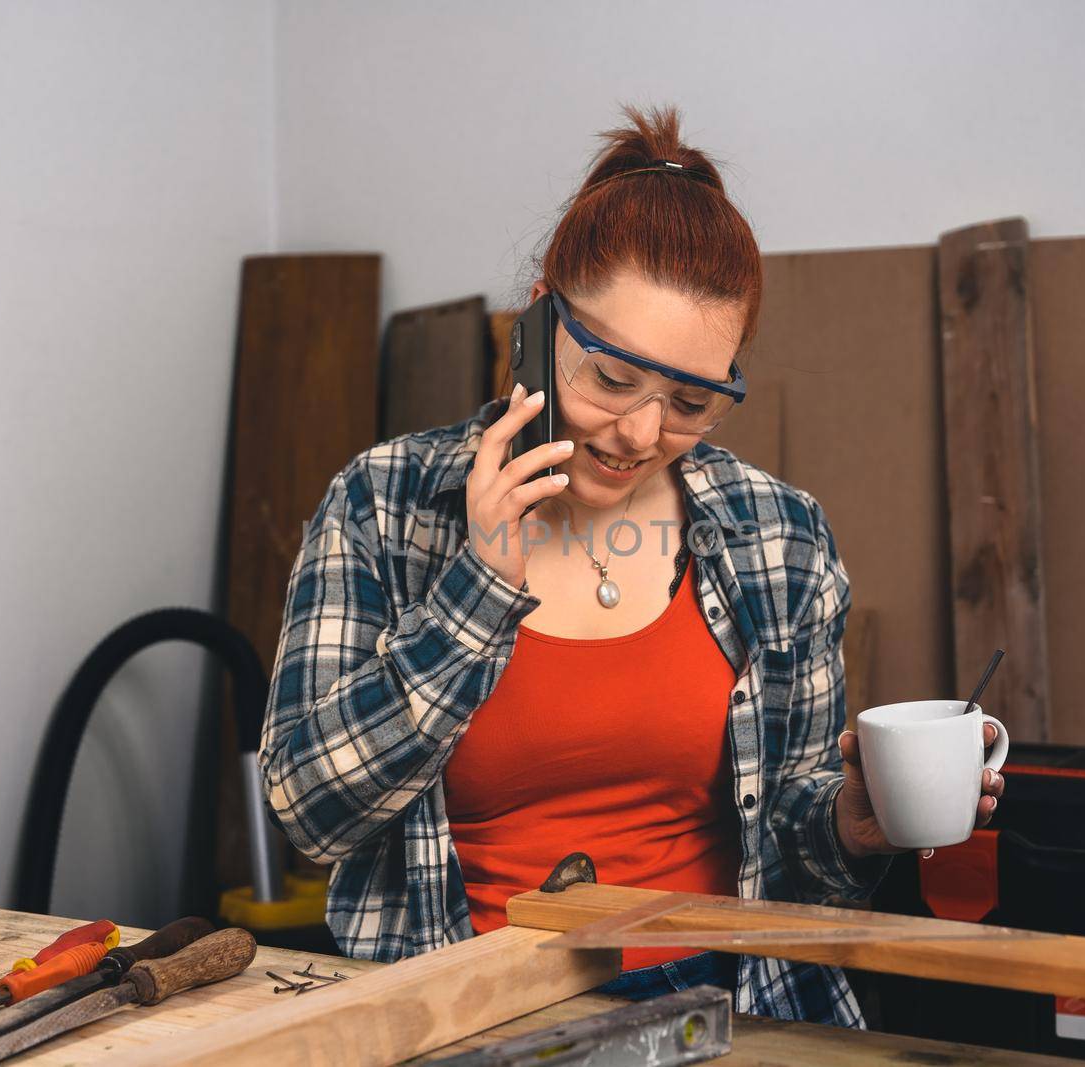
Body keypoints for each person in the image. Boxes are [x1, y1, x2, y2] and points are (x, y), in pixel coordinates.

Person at [259, 103, 1002, 1025]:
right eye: (611, 380)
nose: (644, 433)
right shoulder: (384, 504)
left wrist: (851, 822)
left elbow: (801, 864)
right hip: (463, 1019)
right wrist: (480, 589)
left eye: (693, 400)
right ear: (538, 318)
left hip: (737, 1010)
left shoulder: (779, 534)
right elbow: (307, 811)